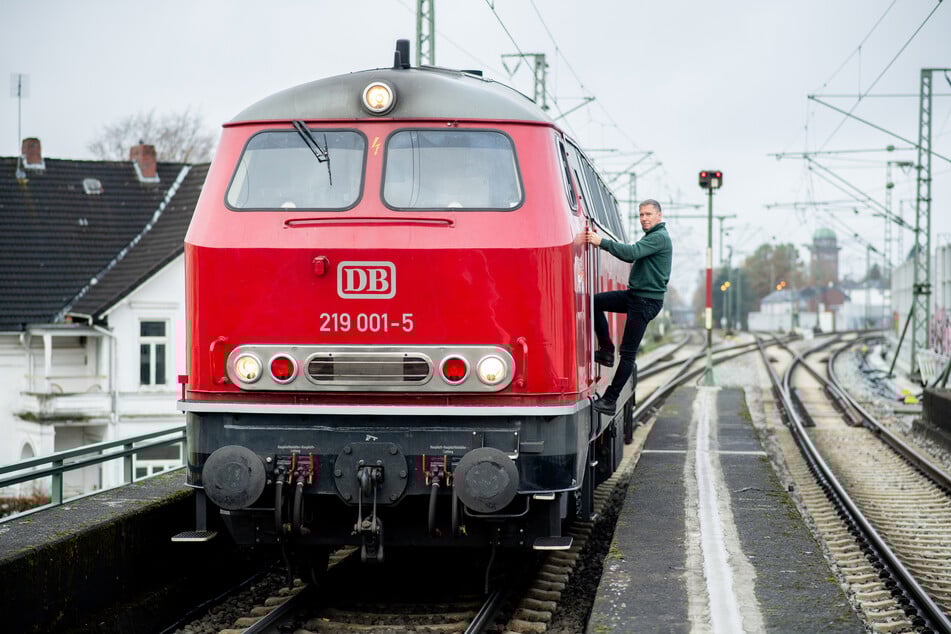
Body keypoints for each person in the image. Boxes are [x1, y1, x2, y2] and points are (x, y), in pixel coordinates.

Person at [582, 199, 672, 414]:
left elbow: (630, 253)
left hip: (646, 302)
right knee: (595, 301)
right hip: (635, 296)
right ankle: (606, 350)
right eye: (641, 215)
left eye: (648, 214)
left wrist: (600, 241)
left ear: (659, 216)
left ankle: (610, 400)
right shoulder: (652, 236)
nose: (644, 219)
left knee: (628, 354)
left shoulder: (659, 238)